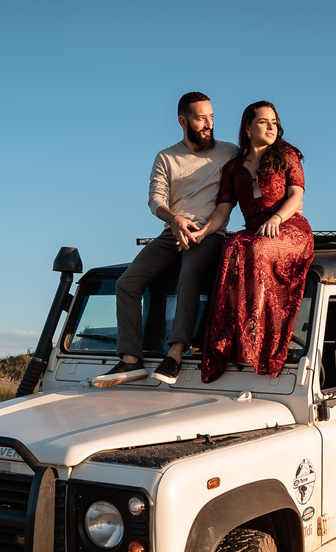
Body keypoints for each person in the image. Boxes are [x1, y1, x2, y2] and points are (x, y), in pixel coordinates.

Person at [93, 92, 238, 387]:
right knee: (127, 282)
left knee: (189, 271)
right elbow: (155, 199)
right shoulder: (166, 157)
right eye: (201, 118)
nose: (209, 123)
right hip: (172, 230)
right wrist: (174, 220)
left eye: (211, 117)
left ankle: (175, 353)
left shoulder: (230, 152)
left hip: (210, 233)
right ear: (183, 121)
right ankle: (130, 360)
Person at [192, 101, 313, 383]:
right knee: (231, 247)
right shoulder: (233, 168)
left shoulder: (287, 154)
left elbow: (296, 195)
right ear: (248, 128)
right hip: (254, 231)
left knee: (254, 247)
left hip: (290, 227)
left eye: (274, 122)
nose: (271, 127)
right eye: (263, 122)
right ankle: (229, 340)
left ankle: (258, 342)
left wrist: (277, 219)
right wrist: (202, 233)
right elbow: (223, 210)